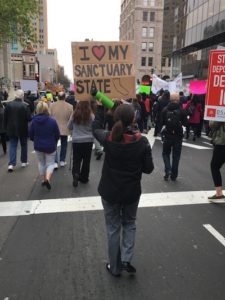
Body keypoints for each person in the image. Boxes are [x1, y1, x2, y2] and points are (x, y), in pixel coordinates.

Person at [92, 103, 154, 277]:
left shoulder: (109, 138)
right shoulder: (141, 141)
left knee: (113, 228)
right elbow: (148, 169)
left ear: (115, 118)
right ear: (133, 119)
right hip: (131, 192)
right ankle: (127, 258)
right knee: (129, 223)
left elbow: (95, 128)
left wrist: (99, 108)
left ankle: (115, 266)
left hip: (110, 191)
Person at [29, 101, 60, 190]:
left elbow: (30, 134)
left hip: (38, 145)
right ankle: (47, 178)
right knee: (51, 164)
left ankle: (43, 179)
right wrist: (55, 141)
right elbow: (57, 134)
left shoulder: (34, 121)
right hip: (50, 145)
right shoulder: (52, 121)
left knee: (41, 163)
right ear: (47, 109)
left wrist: (34, 139)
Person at [160, 93, 187, 181]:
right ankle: (174, 175)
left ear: (170, 99)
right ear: (178, 100)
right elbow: (186, 123)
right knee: (176, 156)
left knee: (165, 153)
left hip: (167, 135)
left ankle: (168, 169)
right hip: (178, 136)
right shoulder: (182, 110)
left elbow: (161, 122)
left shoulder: (165, 109)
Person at [67, 101, 94, 187]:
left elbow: (69, 126)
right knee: (87, 160)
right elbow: (94, 126)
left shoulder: (74, 114)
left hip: (77, 140)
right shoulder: (91, 115)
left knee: (76, 159)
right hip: (88, 140)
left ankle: (76, 174)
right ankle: (84, 178)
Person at [4, 89, 31, 172]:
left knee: (12, 145)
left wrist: (6, 128)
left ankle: (11, 164)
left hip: (11, 129)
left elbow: (5, 118)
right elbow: (29, 118)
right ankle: (24, 161)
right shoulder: (25, 105)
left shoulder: (8, 105)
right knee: (23, 145)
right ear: (22, 96)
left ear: (15, 95)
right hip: (23, 128)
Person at [49, 91, 73, 168]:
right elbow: (71, 118)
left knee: (54, 145)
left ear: (57, 97)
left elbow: (49, 116)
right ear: (65, 97)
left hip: (54, 127)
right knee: (64, 144)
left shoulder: (52, 105)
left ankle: (55, 162)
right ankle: (62, 160)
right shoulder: (70, 106)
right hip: (65, 127)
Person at [208, 121, 225, 201]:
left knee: (214, 166)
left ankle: (219, 193)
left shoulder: (220, 112)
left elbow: (212, 125)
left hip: (222, 144)